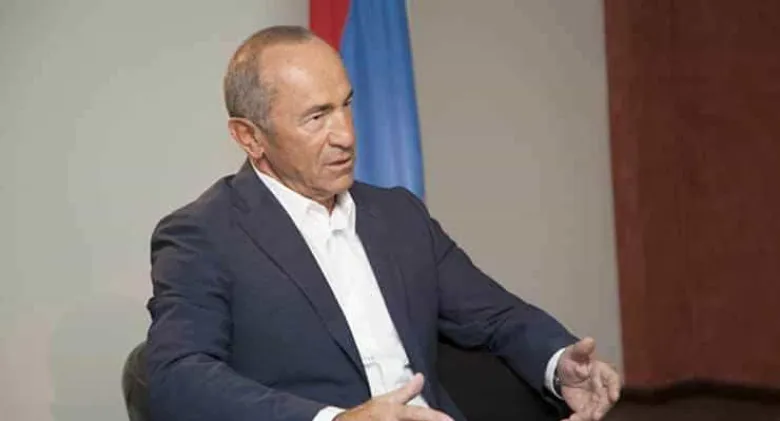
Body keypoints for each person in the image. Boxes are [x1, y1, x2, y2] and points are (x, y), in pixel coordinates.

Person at [146, 25, 621, 421]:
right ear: (249, 137)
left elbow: (494, 315)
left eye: (346, 105)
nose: (346, 135)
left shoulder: (398, 215)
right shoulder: (202, 235)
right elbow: (176, 377)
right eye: (317, 117)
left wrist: (560, 362)